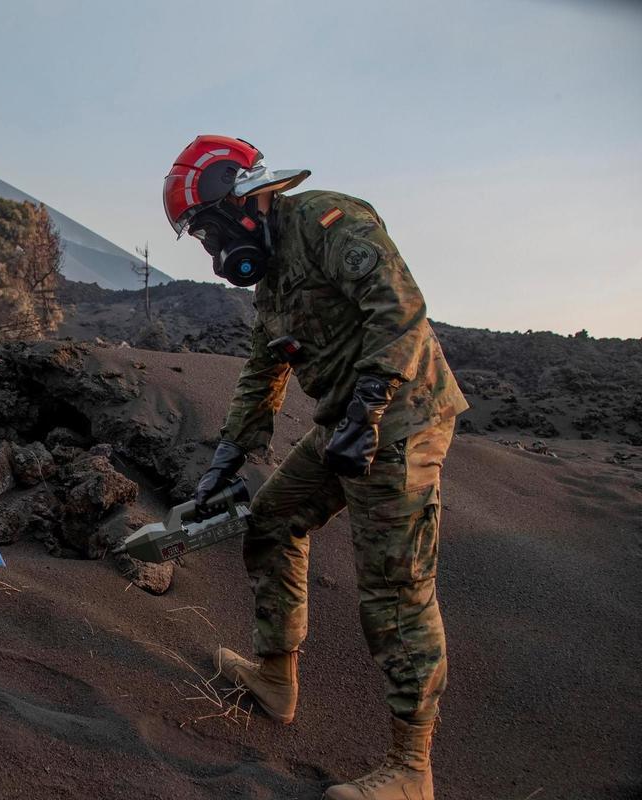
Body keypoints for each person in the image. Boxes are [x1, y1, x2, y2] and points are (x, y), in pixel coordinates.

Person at [163, 135, 468, 800]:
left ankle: (411, 770)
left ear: (243, 200)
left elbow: (401, 312)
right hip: (346, 425)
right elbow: (264, 370)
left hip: (403, 414)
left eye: (211, 231)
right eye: (202, 240)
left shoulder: (332, 222)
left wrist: (368, 408)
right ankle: (275, 679)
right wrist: (226, 457)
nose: (215, 254)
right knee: (272, 520)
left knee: (395, 586)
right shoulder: (271, 281)